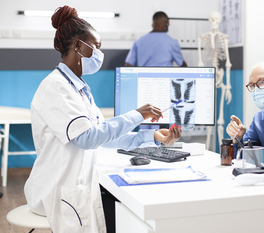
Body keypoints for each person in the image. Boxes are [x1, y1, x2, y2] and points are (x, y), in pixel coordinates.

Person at [24, 6, 181, 233]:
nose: (99, 53)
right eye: (96, 47)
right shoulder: (55, 87)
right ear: (78, 46)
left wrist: (150, 135)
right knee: (127, 213)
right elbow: (88, 138)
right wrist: (137, 115)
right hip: (59, 192)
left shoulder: (79, 89)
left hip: (79, 185)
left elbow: (103, 137)